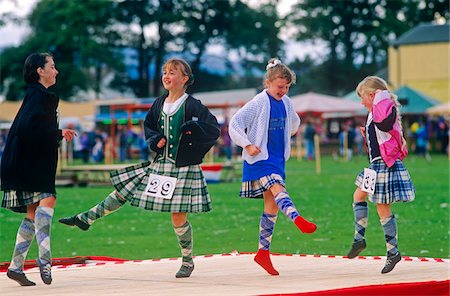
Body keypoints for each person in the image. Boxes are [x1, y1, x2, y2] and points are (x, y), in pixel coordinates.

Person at [58, 58, 220, 278]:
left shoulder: (193, 105)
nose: (166, 76)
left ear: (185, 79)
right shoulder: (158, 103)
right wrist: (154, 141)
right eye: (164, 72)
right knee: (125, 189)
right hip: (161, 164)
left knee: (177, 217)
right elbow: (150, 127)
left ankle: (187, 261)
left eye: (172, 72)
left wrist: (193, 129)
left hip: (182, 168)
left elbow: (212, 129)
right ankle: (86, 218)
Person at [229, 58, 317, 276]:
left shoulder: (287, 102)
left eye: (287, 87)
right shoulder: (258, 102)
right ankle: (298, 218)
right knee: (277, 187)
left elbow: (294, 122)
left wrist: (288, 132)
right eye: (280, 86)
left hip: (277, 158)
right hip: (259, 159)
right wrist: (247, 144)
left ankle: (263, 253)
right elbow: (235, 123)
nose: (284, 90)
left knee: (271, 206)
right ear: (267, 83)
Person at [1, 53, 77, 286]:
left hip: (23, 163)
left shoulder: (36, 95)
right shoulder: (42, 96)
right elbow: (28, 129)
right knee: (48, 199)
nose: (56, 71)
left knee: (33, 211)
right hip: (30, 164)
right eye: (52, 67)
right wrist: (57, 133)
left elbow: (31, 128)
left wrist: (57, 133)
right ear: (39, 71)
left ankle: (16, 267)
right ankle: (45, 259)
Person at [347, 76, 415, 274]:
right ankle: (359, 239)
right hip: (374, 165)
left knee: (382, 207)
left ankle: (393, 252)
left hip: (384, 166)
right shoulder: (372, 113)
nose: (361, 102)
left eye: (363, 97)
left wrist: (380, 99)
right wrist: (367, 134)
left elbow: (385, 125)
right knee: (358, 196)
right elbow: (379, 134)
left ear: (372, 95)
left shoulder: (387, 109)